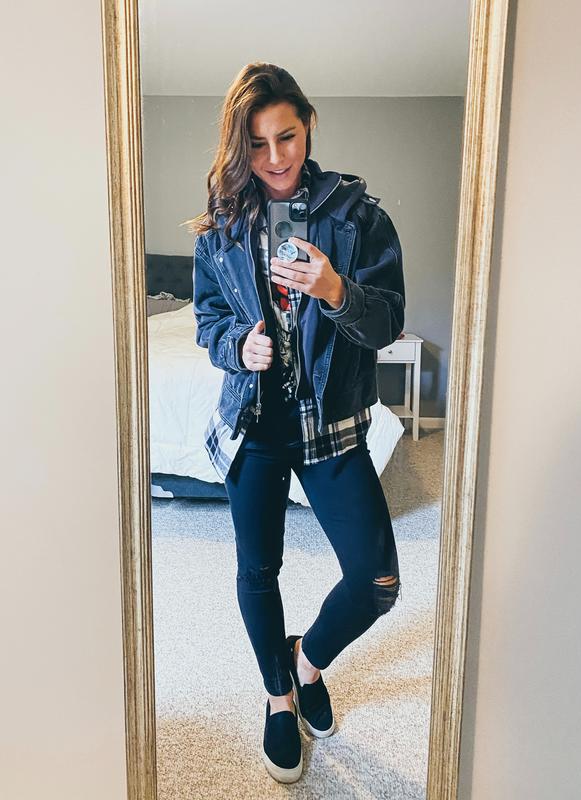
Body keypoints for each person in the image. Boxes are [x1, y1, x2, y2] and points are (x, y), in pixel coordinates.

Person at [188, 62, 406, 784]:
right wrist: (237, 346)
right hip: (252, 424)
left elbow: (388, 323)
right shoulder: (222, 225)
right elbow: (208, 319)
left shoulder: (358, 217)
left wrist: (337, 289)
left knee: (376, 580)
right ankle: (279, 697)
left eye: (286, 136)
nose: (276, 157)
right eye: (257, 144)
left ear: (308, 125)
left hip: (330, 424)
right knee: (258, 569)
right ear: (240, 147)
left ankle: (305, 661)